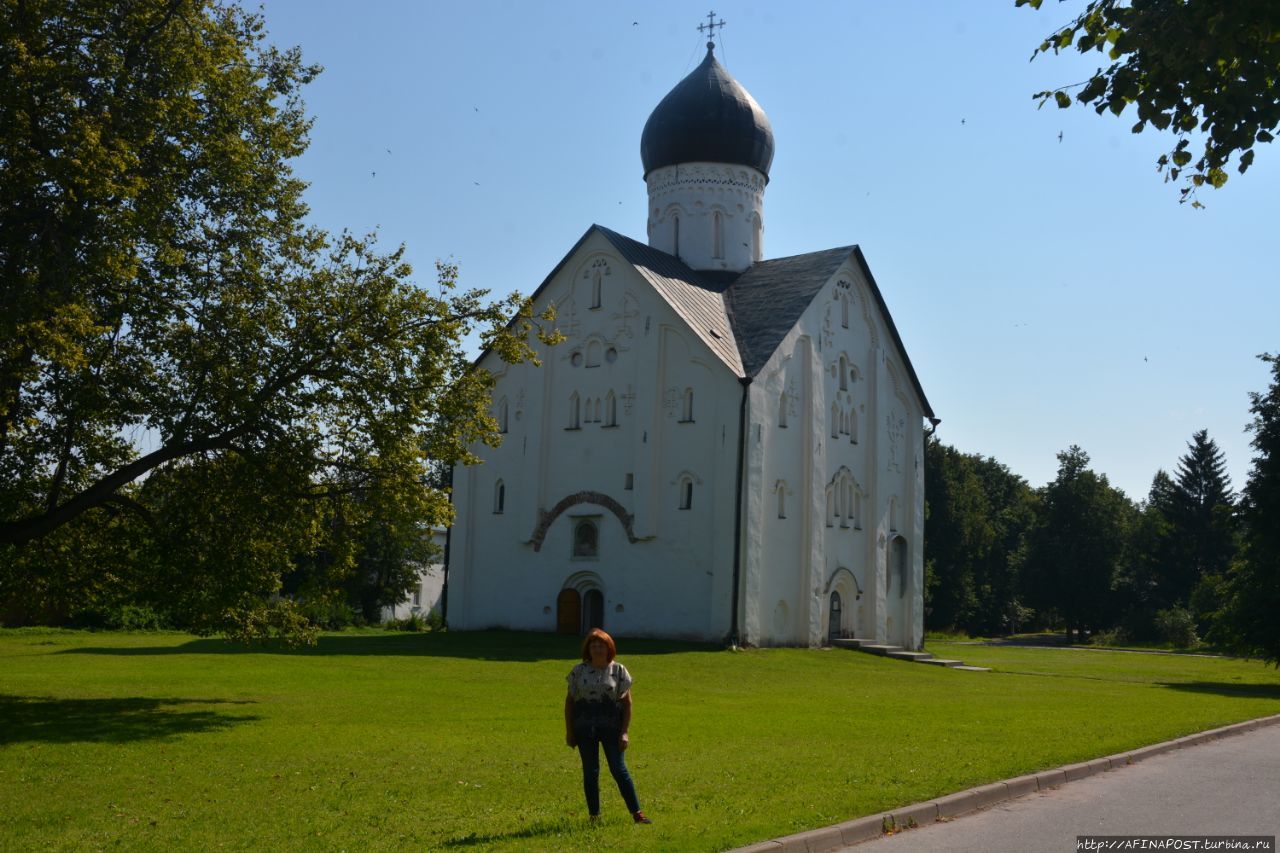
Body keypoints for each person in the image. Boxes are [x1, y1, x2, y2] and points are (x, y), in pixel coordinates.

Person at [565, 628, 651, 824]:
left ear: (608, 647)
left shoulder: (619, 671)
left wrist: (625, 732)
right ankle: (594, 816)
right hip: (584, 726)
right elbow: (570, 702)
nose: (597, 648)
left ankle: (637, 814)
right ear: (588, 649)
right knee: (590, 772)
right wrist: (569, 731)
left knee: (618, 769)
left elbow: (627, 704)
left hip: (612, 726)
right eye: (593, 645)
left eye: (601, 645)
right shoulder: (579, 671)